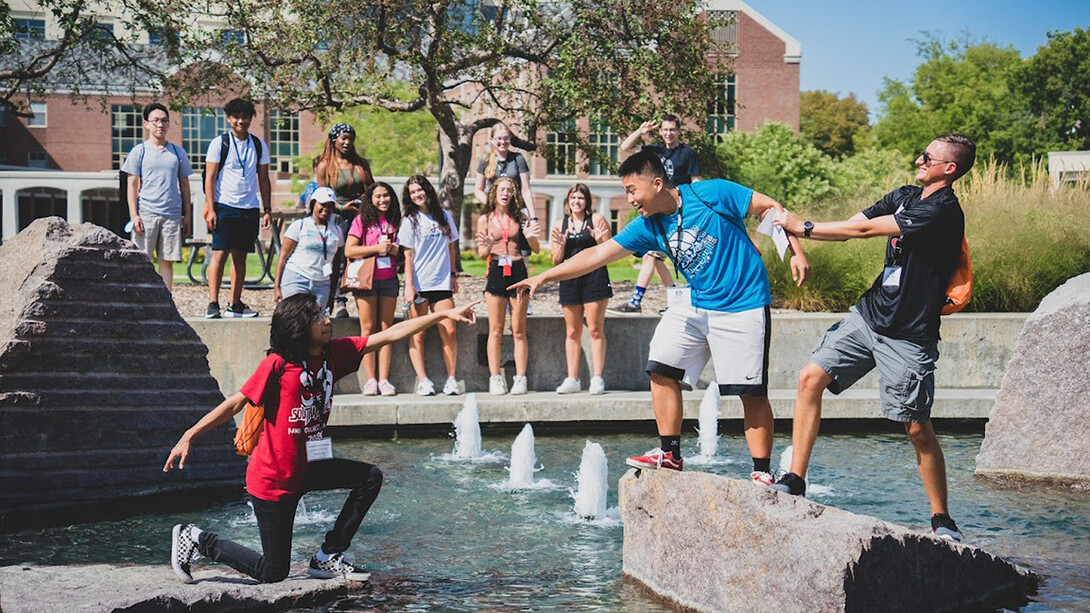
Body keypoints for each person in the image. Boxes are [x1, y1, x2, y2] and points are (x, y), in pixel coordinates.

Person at [510, 151, 809, 484]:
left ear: (656, 183)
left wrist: (797, 252)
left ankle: (762, 472)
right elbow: (598, 254)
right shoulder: (648, 226)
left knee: (750, 392)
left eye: (632, 190)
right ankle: (670, 454)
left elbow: (770, 208)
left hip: (744, 303)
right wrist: (544, 277)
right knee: (660, 365)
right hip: (697, 303)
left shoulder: (711, 193)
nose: (629, 199)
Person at [164, 293, 480, 584]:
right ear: (299, 327)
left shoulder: (335, 355)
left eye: (324, 313)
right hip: (273, 481)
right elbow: (236, 402)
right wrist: (190, 434)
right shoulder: (277, 365)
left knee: (370, 477)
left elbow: (391, 334)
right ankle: (196, 539)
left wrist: (444, 315)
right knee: (273, 572)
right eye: (317, 317)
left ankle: (327, 556)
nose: (326, 320)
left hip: (309, 467)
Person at [770, 134, 976, 543]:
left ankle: (942, 519)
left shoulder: (943, 211)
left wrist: (803, 226)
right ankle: (794, 478)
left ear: (949, 169)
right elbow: (851, 226)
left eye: (927, 156)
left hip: (909, 334)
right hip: (869, 316)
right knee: (810, 377)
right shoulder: (905, 195)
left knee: (916, 426)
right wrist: (799, 242)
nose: (919, 158)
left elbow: (865, 231)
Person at [610, 114, 702, 315]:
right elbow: (625, 147)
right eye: (665, 129)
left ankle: (636, 301)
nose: (669, 133)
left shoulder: (687, 153)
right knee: (654, 256)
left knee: (653, 256)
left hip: (676, 210)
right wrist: (640, 132)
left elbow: (696, 181)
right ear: (660, 132)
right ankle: (674, 300)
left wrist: (694, 207)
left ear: (678, 131)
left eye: (672, 129)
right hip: (655, 209)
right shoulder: (655, 151)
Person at [203, 98, 271, 319]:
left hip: (249, 208)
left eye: (245, 116)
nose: (240, 121)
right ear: (228, 118)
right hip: (225, 205)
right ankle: (213, 303)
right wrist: (211, 208)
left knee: (240, 257)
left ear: (251, 118)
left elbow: (264, 179)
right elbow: (210, 178)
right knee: (219, 254)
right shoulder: (219, 143)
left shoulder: (259, 145)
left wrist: (267, 209)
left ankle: (235, 304)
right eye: (236, 117)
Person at [476, 176, 542, 395]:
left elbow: (536, 249)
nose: (505, 194)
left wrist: (530, 237)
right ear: (494, 192)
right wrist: (486, 247)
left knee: (518, 329)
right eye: (502, 190)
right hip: (496, 269)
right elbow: (482, 253)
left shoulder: (521, 216)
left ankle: (520, 378)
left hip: (517, 270)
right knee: (495, 329)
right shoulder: (485, 219)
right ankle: (495, 378)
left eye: (509, 190)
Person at [399, 175, 461, 396]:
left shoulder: (444, 216)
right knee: (418, 334)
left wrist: (453, 274)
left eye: (420, 190)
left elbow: (451, 247)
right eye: (413, 192)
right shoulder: (409, 220)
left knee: (450, 330)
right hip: (419, 284)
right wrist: (408, 285)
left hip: (441, 282)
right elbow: (408, 255)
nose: (418, 194)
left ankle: (451, 379)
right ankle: (423, 380)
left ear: (427, 190)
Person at [122, 102, 193, 293]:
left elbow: (185, 185)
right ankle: (140, 299)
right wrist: (134, 215)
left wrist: (187, 215)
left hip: (172, 215)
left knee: (166, 262)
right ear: (146, 124)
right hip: (146, 214)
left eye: (164, 121)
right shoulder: (139, 151)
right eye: (155, 121)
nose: (160, 125)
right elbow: (131, 184)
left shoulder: (178, 152)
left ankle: (166, 301)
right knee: (141, 261)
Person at [550, 183, 612, 395]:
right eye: (573, 198)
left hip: (594, 278)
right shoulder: (560, 224)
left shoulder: (596, 220)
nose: (577, 202)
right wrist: (560, 245)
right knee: (572, 331)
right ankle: (573, 378)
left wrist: (599, 239)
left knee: (595, 329)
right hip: (570, 279)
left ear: (587, 201)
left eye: (581, 198)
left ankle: (597, 378)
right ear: (568, 201)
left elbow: (609, 250)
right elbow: (556, 260)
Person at [345, 182, 402, 396]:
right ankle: (370, 379)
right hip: (366, 279)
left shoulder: (396, 220)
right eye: (377, 196)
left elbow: (404, 251)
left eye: (386, 195)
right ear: (370, 199)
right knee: (368, 329)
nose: (382, 200)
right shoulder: (362, 220)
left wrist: (396, 250)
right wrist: (376, 249)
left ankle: (384, 379)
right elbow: (349, 250)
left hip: (389, 278)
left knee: (387, 329)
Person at [317, 123, 374, 318]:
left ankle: (363, 300)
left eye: (351, 138)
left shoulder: (361, 164)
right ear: (334, 140)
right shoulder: (325, 165)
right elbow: (322, 196)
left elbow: (372, 190)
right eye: (343, 138)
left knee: (360, 259)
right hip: (337, 217)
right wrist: (341, 208)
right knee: (337, 260)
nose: (348, 142)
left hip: (360, 217)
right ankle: (337, 302)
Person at [273, 187, 343, 309]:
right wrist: (277, 287)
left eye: (330, 206)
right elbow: (283, 258)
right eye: (322, 204)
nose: (326, 209)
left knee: (316, 322)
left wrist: (332, 295)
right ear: (313, 204)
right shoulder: (299, 226)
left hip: (322, 283)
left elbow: (336, 265)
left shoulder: (337, 231)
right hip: (297, 277)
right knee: (295, 319)